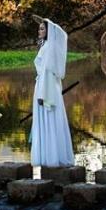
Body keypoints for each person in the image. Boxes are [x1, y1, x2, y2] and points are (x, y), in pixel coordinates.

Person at [30, 18, 74, 167]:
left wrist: (43, 94)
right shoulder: (47, 46)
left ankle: (52, 157)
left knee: (50, 119)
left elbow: (47, 72)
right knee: (49, 120)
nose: (39, 31)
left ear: (49, 32)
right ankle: (50, 156)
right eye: (39, 28)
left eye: (43, 28)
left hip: (47, 87)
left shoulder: (50, 47)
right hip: (45, 85)